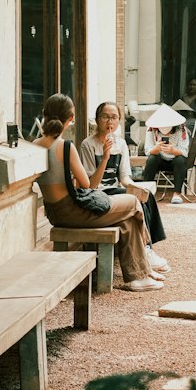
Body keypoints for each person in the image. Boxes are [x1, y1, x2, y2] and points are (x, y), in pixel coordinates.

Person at [34, 93, 162, 292]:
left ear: (45, 114)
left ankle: (139, 275)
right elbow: (86, 185)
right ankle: (146, 257)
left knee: (127, 220)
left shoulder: (35, 145)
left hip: (53, 212)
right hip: (73, 212)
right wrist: (104, 159)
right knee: (133, 203)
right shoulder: (66, 147)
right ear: (70, 118)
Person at [80, 101, 171, 275]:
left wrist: (137, 188)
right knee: (134, 200)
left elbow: (123, 178)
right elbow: (91, 184)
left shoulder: (121, 144)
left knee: (146, 196)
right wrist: (105, 157)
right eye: (105, 117)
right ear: (97, 120)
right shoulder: (88, 145)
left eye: (114, 117)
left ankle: (148, 248)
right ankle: (145, 250)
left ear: (119, 121)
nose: (109, 122)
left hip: (115, 189)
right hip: (98, 193)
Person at [142, 103, 192, 205]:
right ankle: (146, 192)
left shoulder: (181, 129)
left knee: (180, 160)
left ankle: (177, 194)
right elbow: (148, 150)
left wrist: (173, 151)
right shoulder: (151, 129)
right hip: (160, 159)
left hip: (175, 160)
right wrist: (156, 149)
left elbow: (184, 152)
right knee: (151, 159)